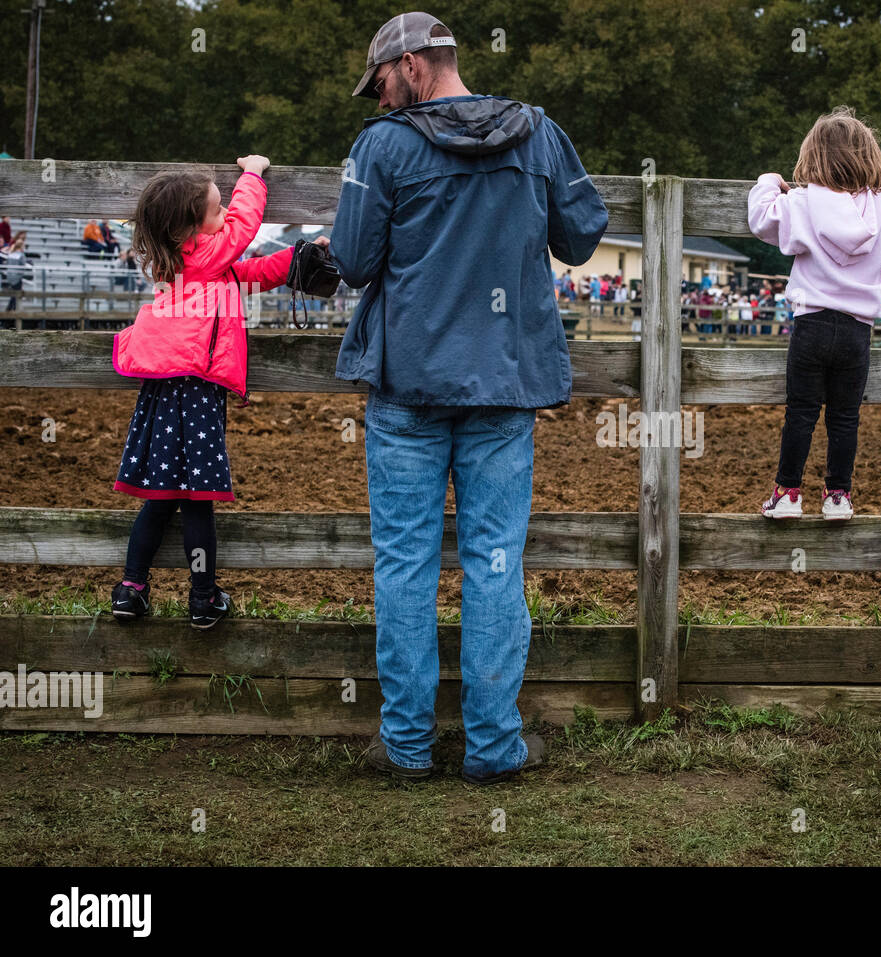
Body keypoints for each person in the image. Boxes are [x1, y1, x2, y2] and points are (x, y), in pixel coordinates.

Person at [333, 11, 607, 784]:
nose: (380, 98)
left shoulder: (383, 147)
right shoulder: (538, 133)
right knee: (494, 563)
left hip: (408, 387)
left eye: (382, 82)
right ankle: (493, 746)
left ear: (414, 65)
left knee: (405, 565)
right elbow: (583, 235)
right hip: (503, 386)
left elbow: (353, 259)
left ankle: (407, 746)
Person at [109, 156, 312, 630]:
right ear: (188, 228)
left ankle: (131, 587)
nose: (225, 220)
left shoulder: (183, 259)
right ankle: (203, 597)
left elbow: (246, 275)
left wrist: (295, 260)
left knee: (159, 497)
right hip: (196, 393)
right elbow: (243, 228)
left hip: (163, 396)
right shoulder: (208, 253)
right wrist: (253, 175)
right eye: (216, 212)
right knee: (198, 497)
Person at [749, 105, 881, 521]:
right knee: (845, 417)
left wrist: (767, 181)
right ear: (869, 159)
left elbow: (760, 218)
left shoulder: (800, 203)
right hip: (856, 331)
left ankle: (788, 493)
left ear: (812, 158)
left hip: (811, 323)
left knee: (801, 413)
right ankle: (838, 497)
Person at [2, 235, 29, 311]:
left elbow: (7, 264)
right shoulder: (21, 255)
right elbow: (23, 266)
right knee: (16, 294)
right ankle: (9, 310)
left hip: (10, 276)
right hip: (17, 277)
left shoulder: (11, 254)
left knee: (15, 294)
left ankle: (12, 309)